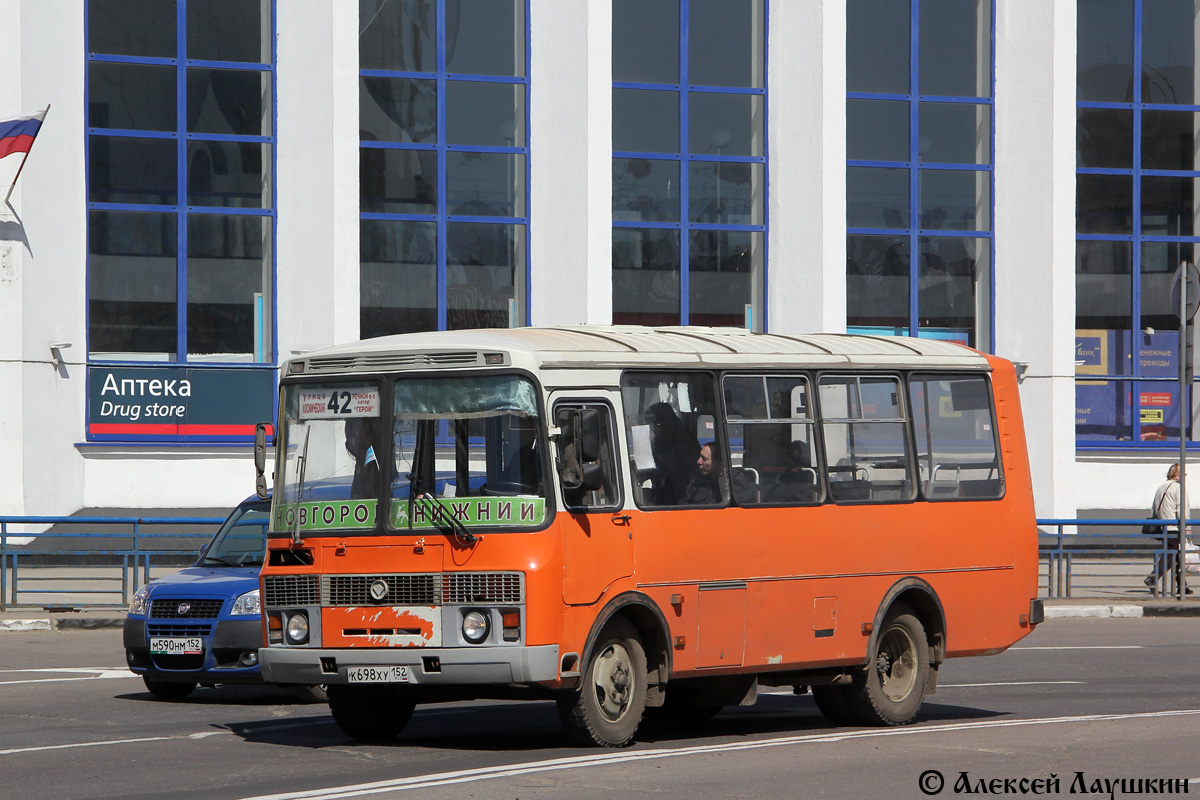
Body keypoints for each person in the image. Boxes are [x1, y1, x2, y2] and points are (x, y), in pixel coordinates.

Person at [1144, 463, 1193, 594]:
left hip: (1163, 526)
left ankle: (1182, 585)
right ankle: (1153, 577)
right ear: (1177, 474)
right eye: (1184, 474)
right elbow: (1182, 510)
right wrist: (1187, 528)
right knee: (1172, 556)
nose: (1185, 477)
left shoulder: (1161, 488)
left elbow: (1154, 508)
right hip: (1175, 527)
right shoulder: (1179, 488)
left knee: (1176, 556)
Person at [646, 402, 700, 505]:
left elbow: (673, 467)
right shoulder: (659, 440)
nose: (653, 429)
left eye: (655, 423)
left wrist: (654, 472)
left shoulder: (679, 439)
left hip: (682, 491)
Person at [683, 443, 754, 505]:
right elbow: (685, 503)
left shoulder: (734, 481)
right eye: (700, 457)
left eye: (704, 459)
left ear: (718, 462)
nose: (699, 461)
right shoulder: (697, 479)